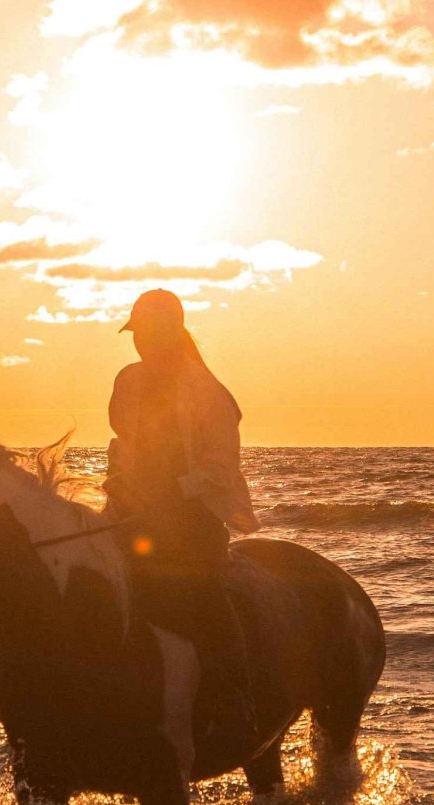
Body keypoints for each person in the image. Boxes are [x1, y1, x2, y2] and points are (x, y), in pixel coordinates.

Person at [104, 288, 261, 759]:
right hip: (136, 512)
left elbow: (221, 467)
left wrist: (174, 490)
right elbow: (120, 443)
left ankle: (236, 699)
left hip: (194, 516)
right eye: (137, 336)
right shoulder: (126, 382)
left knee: (204, 596)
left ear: (171, 335)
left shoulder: (209, 392)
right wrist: (119, 481)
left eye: (148, 335)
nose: (140, 345)